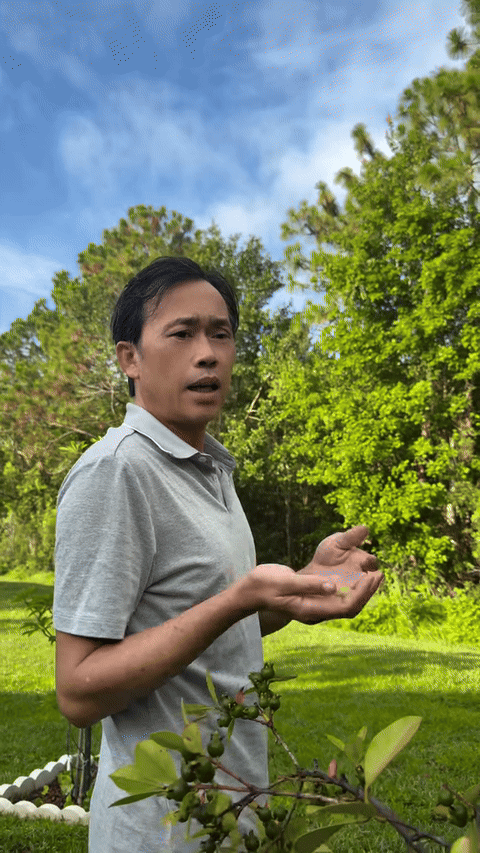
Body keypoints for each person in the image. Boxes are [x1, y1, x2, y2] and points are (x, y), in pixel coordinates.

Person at [53, 255, 383, 853]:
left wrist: (301, 584)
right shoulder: (117, 472)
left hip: (233, 815)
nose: (207, 354)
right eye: (182, 334)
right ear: (130, 358)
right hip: (160, 833)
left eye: (221, 334)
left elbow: (206, 622)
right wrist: (237, 599)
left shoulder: (210, 468)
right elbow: (78, 691)